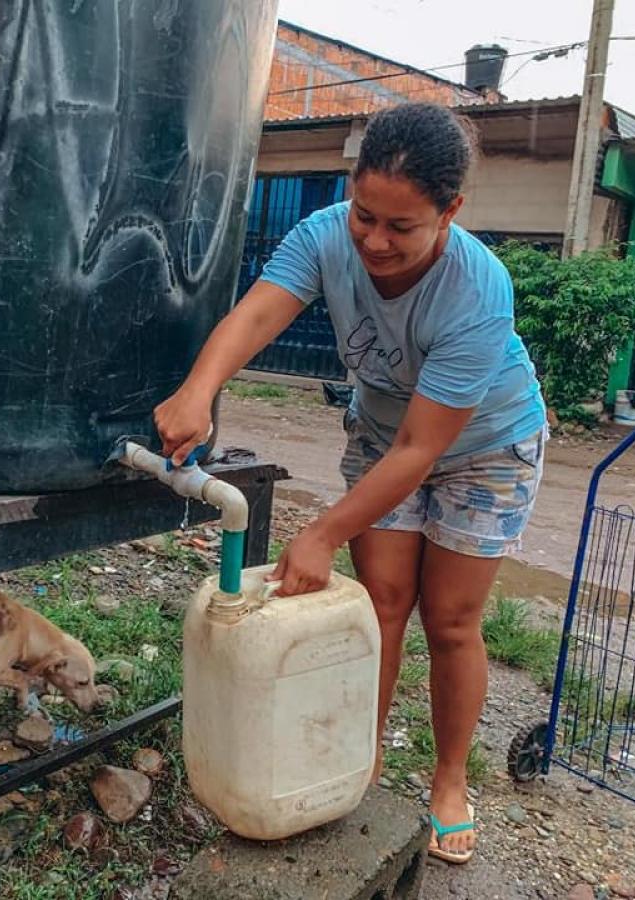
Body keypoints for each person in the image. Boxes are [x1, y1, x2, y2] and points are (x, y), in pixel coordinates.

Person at [155, 103, 547, 865]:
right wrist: (199, 390)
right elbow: (256, 316)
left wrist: (323, 530)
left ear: (451, 212)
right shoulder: (324, 235)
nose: (374, 240)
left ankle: (449, 780)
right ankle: (351, 759)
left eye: (402, 228)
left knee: (452, 620)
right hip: (382, 435)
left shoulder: (478, 287)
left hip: (487, 447)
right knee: (384, 603)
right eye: (366, 214)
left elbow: (422, 447)